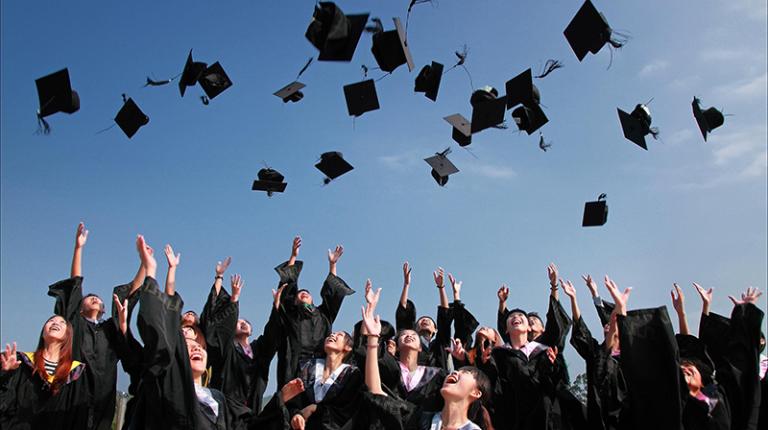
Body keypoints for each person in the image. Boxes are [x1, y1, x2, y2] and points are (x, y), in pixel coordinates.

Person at [359, 282, 491, 430]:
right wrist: (371, 337)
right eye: (405, 335)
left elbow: (445, 324)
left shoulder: (437, 371)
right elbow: (377, 392)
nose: (454, 372)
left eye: (464, 372)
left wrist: (448, 292)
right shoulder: (420, 418)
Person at [46, 222, 131, 430]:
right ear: (80, 308)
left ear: (103, 309)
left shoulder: (110, 329)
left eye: (98, 298)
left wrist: (144, 266)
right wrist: (79, 248)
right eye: (90, 297)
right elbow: (76, 284)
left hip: (103, 400)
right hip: (73, 396)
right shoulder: (76, 325)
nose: (94, 299)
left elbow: (130, 297)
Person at [0, 305, 125, 429]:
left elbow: (80, 416)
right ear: (43, 332)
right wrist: (5, 374)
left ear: (68, 335)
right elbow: (4, 403)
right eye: (51, 321)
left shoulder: (77, 373)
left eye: (62, 322)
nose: (55, 322)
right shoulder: (21, 362)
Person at [273, 236, 355, 388]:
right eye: (300, 293)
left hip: (320, 367)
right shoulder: (291, 313)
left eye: (307, 293)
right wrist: (293, 256)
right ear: (295, 299)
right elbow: (287, 288)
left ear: (312, 299)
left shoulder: (323, 315)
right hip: (293, 366)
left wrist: (332, 265)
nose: (303, 293)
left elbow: (332, 293)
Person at [564, 276, 628, 430]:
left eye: (612, 321)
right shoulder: (596, 353)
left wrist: (597, 295)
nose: (607, 324)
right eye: (606, 323)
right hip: (599, 419)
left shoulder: (632, 355)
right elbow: (581, 329)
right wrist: (573, 298)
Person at [395, 265, 454, 368]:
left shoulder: (439, 345)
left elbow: (445, 315)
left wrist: (441, 287)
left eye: (429, 321)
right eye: (421, 320)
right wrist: (406, 284)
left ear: (435, 330)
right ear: (415, 328)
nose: (425, 320)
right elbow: (402, 315)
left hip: (437, 382)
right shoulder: (409, 342)